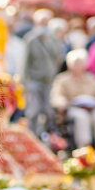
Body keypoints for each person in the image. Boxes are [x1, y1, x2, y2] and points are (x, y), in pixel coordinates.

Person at [50, 49, 95, 152]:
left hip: (92, 109)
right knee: (82, 117)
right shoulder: (62, 79)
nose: (77, 66)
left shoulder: (90, 78)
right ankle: (84, 150)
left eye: (79, 63)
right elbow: (56, 97)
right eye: (74, 63)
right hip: (74, 108)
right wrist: (62, 102)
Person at [22, 9, 65, 138]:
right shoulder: (31, 39)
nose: (45, 24)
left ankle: (43, 135)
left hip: (50, 80)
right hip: (35, 79)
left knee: (48, 110)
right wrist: (24, 81)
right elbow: (25, 61)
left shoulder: (53, 39)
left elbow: (59, 56)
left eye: (46, 21)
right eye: (42, 21)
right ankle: (31, 134)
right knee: (34, 109)